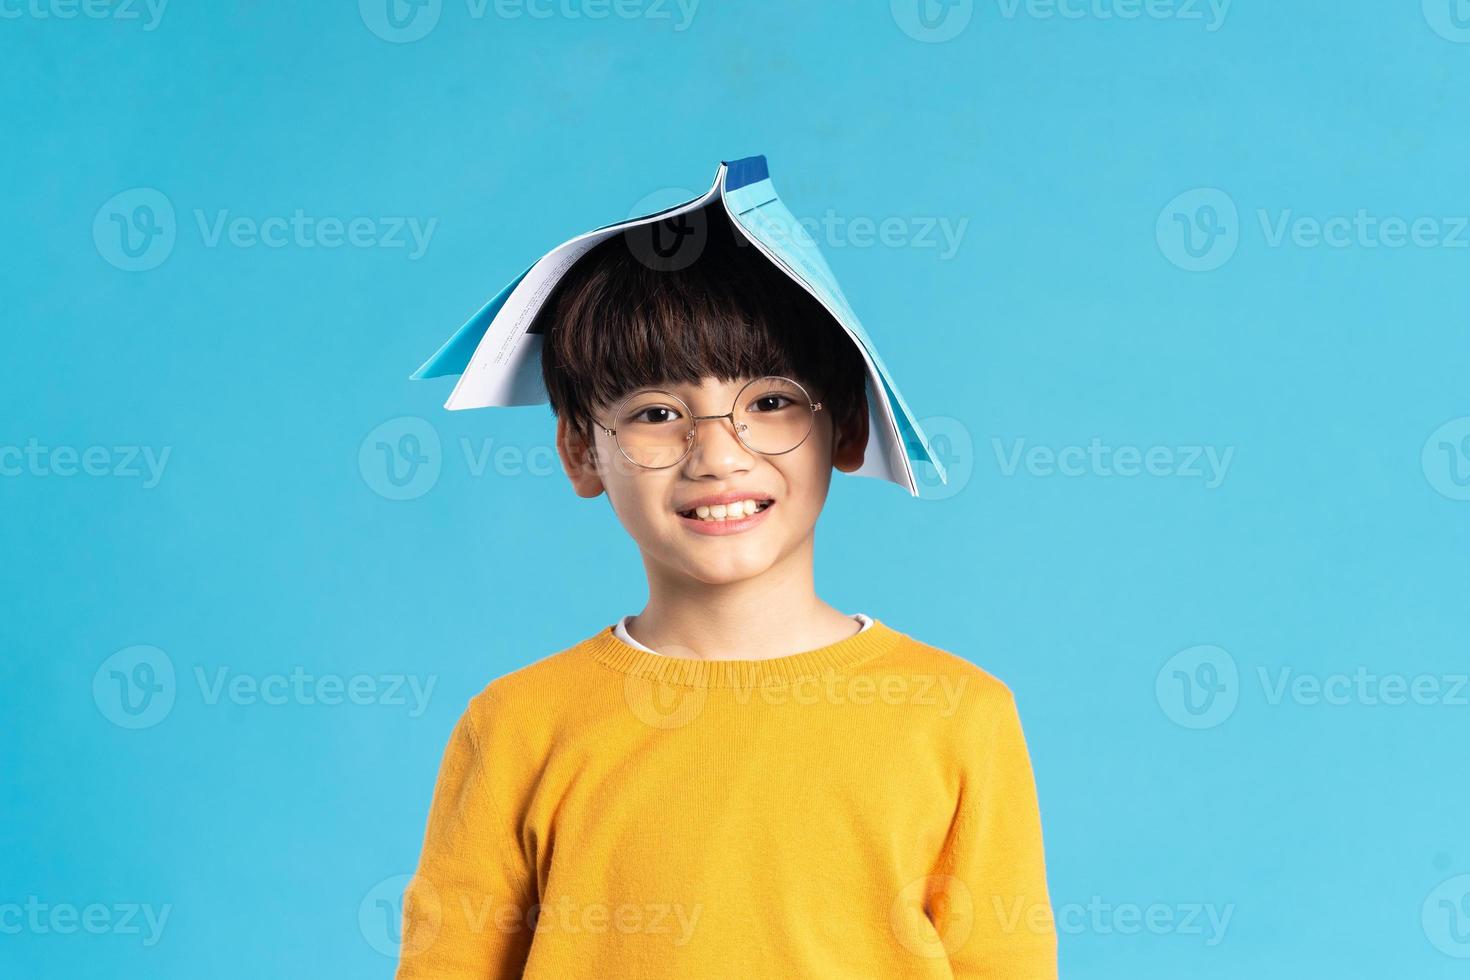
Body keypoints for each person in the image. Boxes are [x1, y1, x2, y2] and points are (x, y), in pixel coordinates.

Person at [395, 202, 1057, 978]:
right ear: (581, 451)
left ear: (845, 423)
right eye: (657, 413)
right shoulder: (516, 727)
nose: (717, 455)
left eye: (769, 402)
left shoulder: (958, 715)